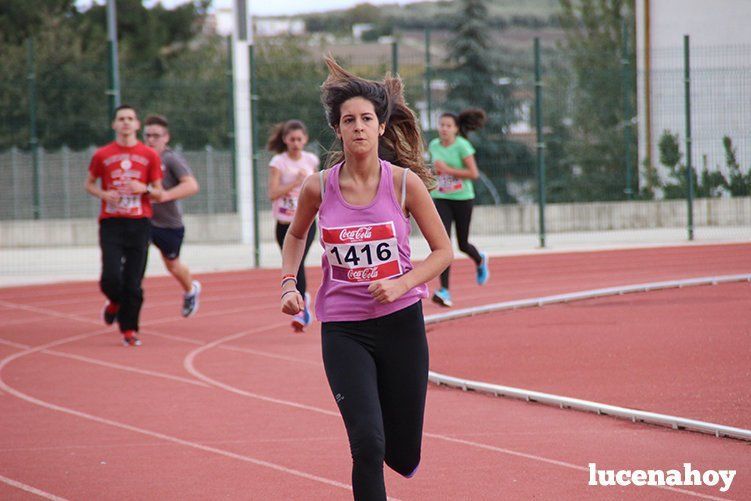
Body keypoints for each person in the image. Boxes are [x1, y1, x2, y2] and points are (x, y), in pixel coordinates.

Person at [280, 57, 453, 500]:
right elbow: (296, 235)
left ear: (380, 127)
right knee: (367, 443)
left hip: (401, 325)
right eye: (348, 120)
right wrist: (288, 284)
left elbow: (442, 252)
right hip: (343, 329)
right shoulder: (319, 186)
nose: (357, 126)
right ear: (337, 130)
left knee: (403, 451)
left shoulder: (404, 184)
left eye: (366, 119)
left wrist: (401, 283)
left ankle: (398, 452)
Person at [84, 104, 163, 346]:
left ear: (137, 125)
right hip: (111, 223)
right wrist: (103, 194)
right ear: (114, 125)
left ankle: (129, 330)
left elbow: (159, 193)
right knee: (110, 277)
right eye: (121, 119)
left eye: (130, 118)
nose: (126, 122)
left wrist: (145, 189)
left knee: (133, 283)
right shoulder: (102, 154)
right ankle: (115, 301)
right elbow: (88, 184)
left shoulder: (149, 155)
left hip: (139, 223)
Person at [136, 114, 202, 317]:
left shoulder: (170, 159)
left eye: (156, 135)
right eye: (148, 135)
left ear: (166, 137)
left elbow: (191, 185)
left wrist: (164, 195)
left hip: (168, 224)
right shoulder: (138, 157)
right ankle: (123, 300)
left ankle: (191, 290)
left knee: (172, 265)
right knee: (133, 263)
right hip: (142, 220)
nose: (151, 140)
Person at [429, 109, 491, 308]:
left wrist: (448, 170)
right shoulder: (433, 145)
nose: (444, 129)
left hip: (463, 198)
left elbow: (473, 173)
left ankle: (479, 260)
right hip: (441, 198)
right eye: (442, 125)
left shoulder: (463, 146)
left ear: (455, 129)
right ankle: (444, 290)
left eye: (448, 126)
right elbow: (434, 170)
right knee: (443, 245)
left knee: (462, 244)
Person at [267, 119, 319, 331]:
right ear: (285, 140)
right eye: (292, 139)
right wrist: (295, 183)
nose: (296, 143)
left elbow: (317, 188)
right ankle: (302, 301)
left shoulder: (311, 160)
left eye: (299, 139)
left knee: (298, 264)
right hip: (284, 224)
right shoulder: (278, 162)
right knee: (292, 264)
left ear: (305, 140)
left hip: (306, 221)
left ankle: (302, 309)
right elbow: (272, 194)